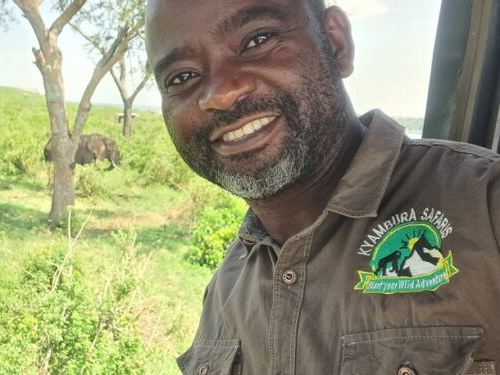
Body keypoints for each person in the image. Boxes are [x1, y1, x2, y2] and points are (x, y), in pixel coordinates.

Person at [145, 0, 500, 373]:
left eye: (258, 39)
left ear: (336, 44)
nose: (219, 93)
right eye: (181, 77)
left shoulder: (485, 207)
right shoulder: (225, 290)